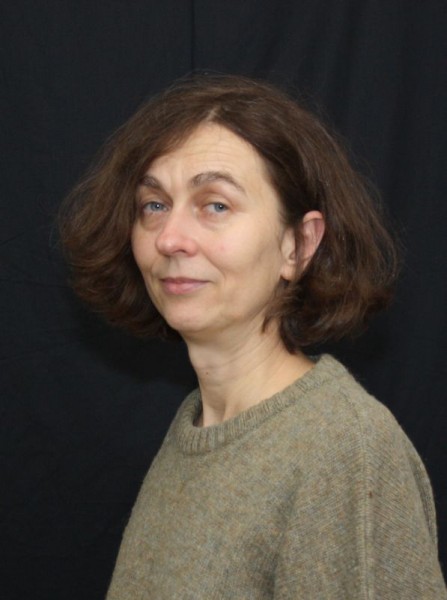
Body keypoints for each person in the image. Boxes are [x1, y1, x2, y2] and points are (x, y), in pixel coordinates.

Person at [59, 74, 447, 599]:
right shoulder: (198, 426)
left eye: (215, 205)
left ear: (298, 245)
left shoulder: (343, 450)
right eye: (154, 205)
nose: (169, 238)